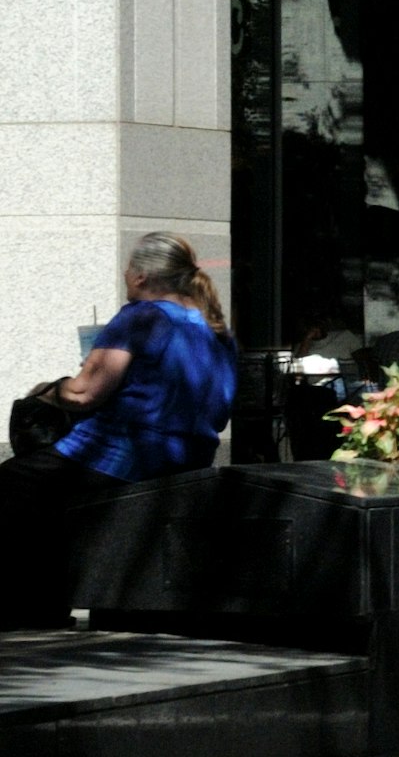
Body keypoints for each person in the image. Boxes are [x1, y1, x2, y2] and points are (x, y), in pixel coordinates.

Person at [6, 235, 238, 567]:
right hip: (191, 460)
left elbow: (83, 393)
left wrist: (48, 391)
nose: (126, 274)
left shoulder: (141, 316)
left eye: (129, 268)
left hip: (121, 456)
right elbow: (219, 416)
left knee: (14, 482)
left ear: (142, 275)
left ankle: (33, 602)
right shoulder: (217, 331)